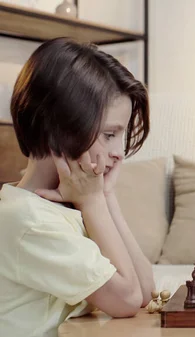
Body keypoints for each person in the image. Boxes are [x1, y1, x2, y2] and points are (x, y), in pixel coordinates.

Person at [0, 37, 154, 336]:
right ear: (59, 128)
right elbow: (127, 300)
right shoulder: (28, 220)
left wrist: (105, 196)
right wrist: (95, 202)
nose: (118, 153)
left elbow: (146, 290)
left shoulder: (72, 205)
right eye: (110, 134)